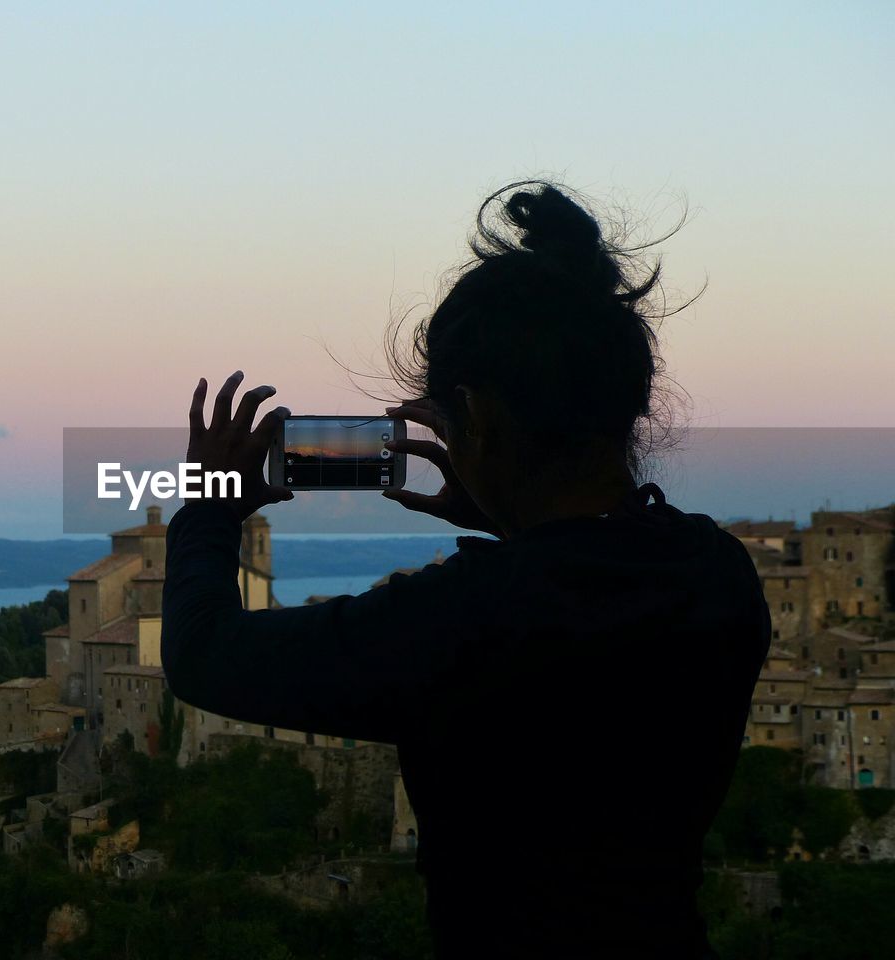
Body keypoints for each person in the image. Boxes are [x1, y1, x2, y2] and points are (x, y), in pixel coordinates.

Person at [160, 181, 770, 959]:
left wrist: (210, 505)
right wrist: (509, 514)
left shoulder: (466, 620)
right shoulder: (717, 576)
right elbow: (587, 572)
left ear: (475, 419)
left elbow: (203, 655)